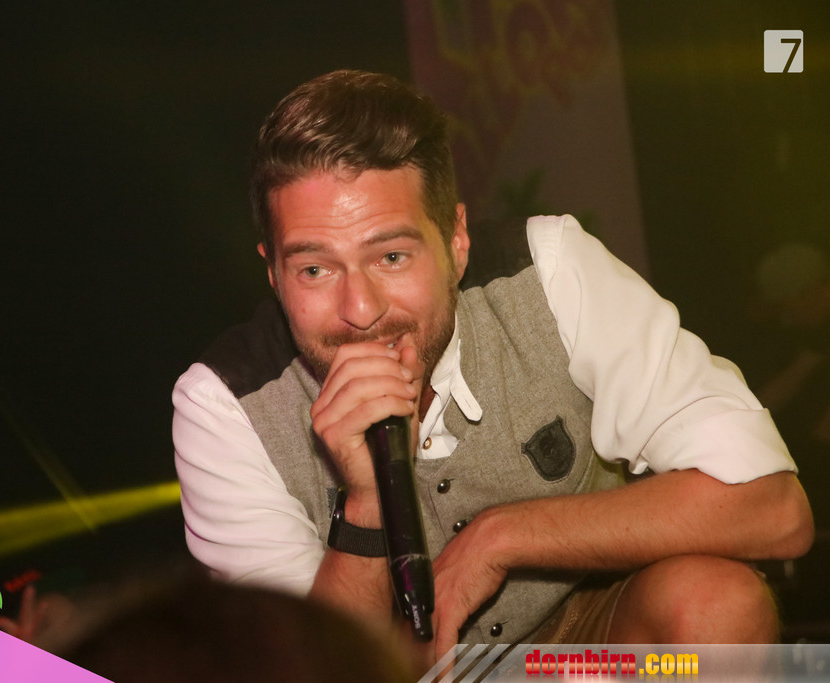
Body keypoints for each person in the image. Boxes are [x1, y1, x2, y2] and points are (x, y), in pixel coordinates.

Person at [172, 70, 813, 660]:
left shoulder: (548, 271)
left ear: (455, 241)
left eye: (391, 257)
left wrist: (501, 537)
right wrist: (365, 504)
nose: (360, 310)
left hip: (588, 653)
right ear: (274, 273)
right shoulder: (225, 405)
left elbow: (774, 509)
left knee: (713, 603)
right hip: (390, 672)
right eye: (315, 269)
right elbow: (306, 674)